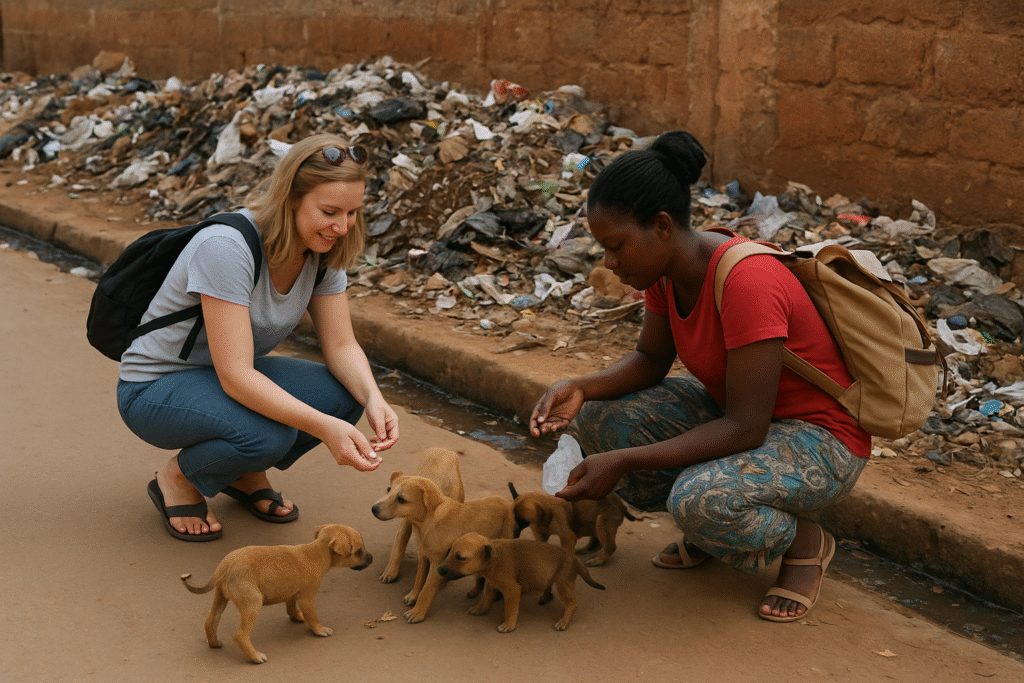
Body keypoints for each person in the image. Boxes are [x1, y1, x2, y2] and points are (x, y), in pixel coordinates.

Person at [529, 130, 870, 622]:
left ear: (662, 225)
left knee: (700, 500)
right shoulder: (667, 274)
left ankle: (804, 542)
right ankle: (716, 526)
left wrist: (623, 461)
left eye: (617, 245)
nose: (609, 262)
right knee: (598, 419)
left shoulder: (747, 282)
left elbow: (745, 427)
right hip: (745, 416)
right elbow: (649, 359)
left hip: (822, 437)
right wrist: (581, 387)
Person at [117, 133, 400, 542]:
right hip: (154, 389)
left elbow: (341, 345)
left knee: (344, 396)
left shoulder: (322, 248)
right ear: (290, 199)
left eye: (353, 212)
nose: (342, 226)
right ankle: (178, 479)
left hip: (218, 379)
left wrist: (374, 398)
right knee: (269, 434)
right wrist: (324, 428)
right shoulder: (227, 247)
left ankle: (244, 473)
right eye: (329, 211)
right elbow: (235, 375)